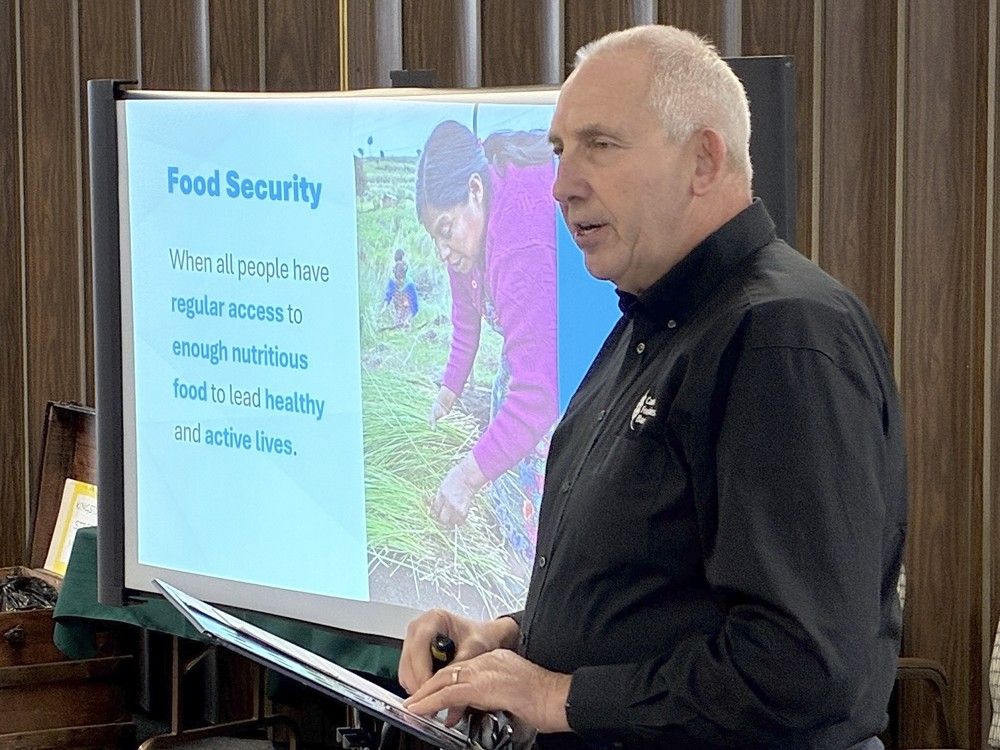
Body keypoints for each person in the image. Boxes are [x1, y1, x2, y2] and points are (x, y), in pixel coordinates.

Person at [398, 24, 906, 749]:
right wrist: (507, 637)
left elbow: (803, 666)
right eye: (558, 150)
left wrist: (557, 696)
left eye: (599, 146)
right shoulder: (651, 319)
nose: (562, 184)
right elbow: (653, 597)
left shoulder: (783, 338)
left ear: (704, 159)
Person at [416, 120, 559, 562]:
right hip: (531, 363)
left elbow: (539, 395)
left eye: (445, 229)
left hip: (565, 377)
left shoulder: (520, 248)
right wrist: (446, 394)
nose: (442, 250)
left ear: (475, 191)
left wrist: (466, 477)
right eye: (434, 236)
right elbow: (465, 322)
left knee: (544, 502)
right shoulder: (467, 238)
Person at [383, 248, 419, 328]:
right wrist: (385, 307)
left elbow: (415, 306)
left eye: (401, 280)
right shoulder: (392, 280)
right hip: (398, 306)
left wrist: (409, 318)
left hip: (407, 307)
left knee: (405, 324)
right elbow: (388, 294)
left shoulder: (409, 284)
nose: (399, 282)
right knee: (398, 322)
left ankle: (406, 322)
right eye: (397, 280)